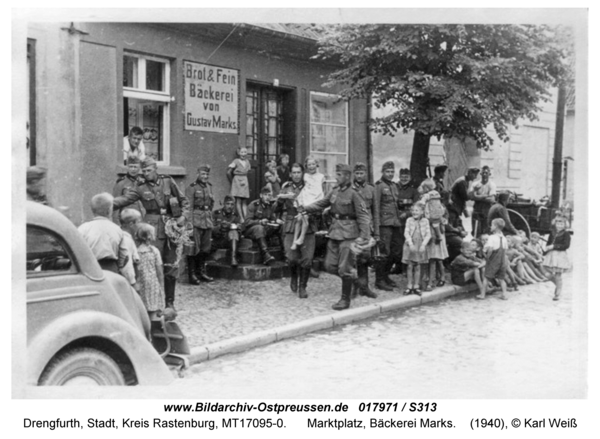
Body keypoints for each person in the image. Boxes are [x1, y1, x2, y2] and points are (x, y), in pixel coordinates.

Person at [113, 157, 190, 309]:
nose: (146, 174)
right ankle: (153, 302)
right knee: (152, 265)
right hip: (152, 231)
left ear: (156, 169)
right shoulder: (140, 187)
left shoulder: (168, 181)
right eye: (144, 171)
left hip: (171, 228)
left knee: (171, 266)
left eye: (149, 170)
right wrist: (108, 203)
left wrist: (183, 217)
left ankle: (169, 303)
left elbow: (184, 201)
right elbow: (125, 199)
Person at [300, 163, 371, 310]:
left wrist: (364, 237)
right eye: (336, 174)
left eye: (339, 175)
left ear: (346, 176)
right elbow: (321, 203)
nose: (336, 177)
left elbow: (364, 217)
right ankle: (354, 280)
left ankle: (345, 301)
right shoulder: (334, 191)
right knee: (329, 265)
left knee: (344, 268)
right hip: (334, 233)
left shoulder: (355, 193)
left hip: (349, 235)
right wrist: (306, 208)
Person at [276, 163, 316, 298]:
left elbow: (318, 202)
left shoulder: (309, 186)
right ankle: (294, 277)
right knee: (292, 257)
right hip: (291, 223)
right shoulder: (286, 187)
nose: (296, 175)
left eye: (299, 172)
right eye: (294, 172)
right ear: (290, 174)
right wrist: (281, 199)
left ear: (302, 173)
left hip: (307, 223)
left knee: (307, 258)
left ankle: (302, 287)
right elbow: (277, 207)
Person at [78, 193, 129, 274]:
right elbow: (124, 255)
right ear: (109, 211)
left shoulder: (83, 228)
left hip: (90, 267)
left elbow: (78, 250)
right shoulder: (117, 229)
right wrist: (119, 266)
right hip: (111, 268)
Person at [373, 162, 403, 291]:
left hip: (395, 223)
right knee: (384, 252)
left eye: (392, 171)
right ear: (382, 172)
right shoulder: (379, 186)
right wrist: (376, 227)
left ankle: (386, 276)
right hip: (384, 224)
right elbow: (376, 207)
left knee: (396, 250)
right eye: (387, 171)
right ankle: (379, 280)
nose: (390, 174)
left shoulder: (394, 186)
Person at [351, 162, 379, 299]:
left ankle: (364, 287)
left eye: (361, 173)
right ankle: (352, 286)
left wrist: (376, 232)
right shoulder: (350, 189)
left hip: (366, 226)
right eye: (357, 173)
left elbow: (375, 211)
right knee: (352, 257)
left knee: (364, 258)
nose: (359, 176)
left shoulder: (371, 189)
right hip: (352, 226)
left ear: (366, 174)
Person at [185, 164, 215, 285]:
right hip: (196, 221)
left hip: (207, 221)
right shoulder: (192, 188)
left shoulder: (209, 187)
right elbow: (189, 207)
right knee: (194, 249)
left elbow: (211, 205)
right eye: (203, 174)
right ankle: (192, 275)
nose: (205, 176)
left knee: (205, 248)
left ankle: (201, 272)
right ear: (197, 174)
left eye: (207, 174)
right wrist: (189, 225)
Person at [292, 155, 326, 250]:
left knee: (304, 217)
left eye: (313, 164)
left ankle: (301, 238)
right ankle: (295, 241)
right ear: (306, 166)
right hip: (306, 198)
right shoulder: (305, 176)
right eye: (309, 164)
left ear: (317, 165)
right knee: (299, 219)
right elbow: (303, 188)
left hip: (315, 200)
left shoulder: (321, 177)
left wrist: (321, 204)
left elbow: (323, 191)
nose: (311, 166)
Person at [243, 187, 283, 265]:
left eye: (269, 195)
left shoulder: (270, 206)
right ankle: (265, 255)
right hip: (251, 231)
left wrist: (277, 220)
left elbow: (272, 218)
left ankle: (284, 253)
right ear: (261, 195)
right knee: (259, 227)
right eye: (265, 195)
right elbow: (247, 222)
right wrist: (260, 222)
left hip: (263, 230)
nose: (268, 197)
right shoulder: (253, 205)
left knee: (280, 226)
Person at [393, 167, 421, 275]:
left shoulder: (413, 190)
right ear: (399, 177)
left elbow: (416, 205)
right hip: (396, 219)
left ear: (410, 178)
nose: (404, 179)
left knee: (409, 243)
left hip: (409, 220)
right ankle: (398, 266)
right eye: (402, 177)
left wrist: (408, 213)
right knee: (397, 244)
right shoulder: (394, 187)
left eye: (406, 177)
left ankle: (407, 267)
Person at [135, 223, 165, 315]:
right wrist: (162, 286)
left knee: (142, 308)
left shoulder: (136, 251)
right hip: (153, 284)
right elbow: (159, 271)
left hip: (141, 283)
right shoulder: (154, 251)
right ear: (148, 237)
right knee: (153, 308)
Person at [402, 203, 431, 296]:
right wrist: (410, 243)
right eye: (413, 210)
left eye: (417, 210)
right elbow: (406, 233)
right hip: (411, 245)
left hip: (420, 245)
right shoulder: (409, 220)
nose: (414, 212)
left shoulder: (425, 221)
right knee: (410, 266)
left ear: (422, 212)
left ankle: (416, 286)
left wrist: (423, 245)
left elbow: (428, 234)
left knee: (418, 265)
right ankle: (409, 285)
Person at [543, 216, 571, 301]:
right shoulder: (552, 233)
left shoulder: (566, 234)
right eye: (558, 223)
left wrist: (554, 246)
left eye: (561, 224)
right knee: (546, 273)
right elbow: (548, 243)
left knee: (558, 275)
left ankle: (557, 294)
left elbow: (566, 246)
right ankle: (558, 285)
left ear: (565, 225)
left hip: (560, 256)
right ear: (555, 224)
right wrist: (545, 250)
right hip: (551, 255)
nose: (559, 225)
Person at [480, 218, 509, 300]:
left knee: (486, 277)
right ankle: (504, 294)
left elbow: (490, 249)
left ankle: (482, 295)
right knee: (501, 279)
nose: (490, 227)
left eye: (492, 225)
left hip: (494, 260)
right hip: (502, 260)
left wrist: (487, 258)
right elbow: (505, 250)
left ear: (495, 227)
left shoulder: (492, 237)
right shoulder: (504, 238)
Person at [112, 155, 144, 224]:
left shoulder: (143, 182)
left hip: (141, 220)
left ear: (139, 167)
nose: (133, 169)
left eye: (135, 167)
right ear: (127, 167)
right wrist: (117, 225)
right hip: (127, 221)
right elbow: (115, 206)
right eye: (131, 166)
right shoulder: (121, 183)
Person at [212, 195, 242, 267]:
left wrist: (235, 227)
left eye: (232, 204)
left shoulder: (236, 216)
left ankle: (233, 258)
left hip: (230, 241)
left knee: (234, 232)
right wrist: (220, 226)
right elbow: (211, 229)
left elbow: (240, 231)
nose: (229, 206)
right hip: (218, 239)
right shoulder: (216, 214)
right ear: (224, 204)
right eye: (227, 204)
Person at [119, 208, 142, 292]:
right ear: (131, 224)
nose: (140, 225)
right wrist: (133, 282)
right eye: (138, 222)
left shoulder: (121, 234)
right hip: (126, 281)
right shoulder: (126, 239)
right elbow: (127, 264)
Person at [471, 165, 497, 237]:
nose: (485, 175)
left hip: (487, 210)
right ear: (481, 174)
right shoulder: (475, 184)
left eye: (486, 173)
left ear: (489, 174)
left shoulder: (492, 185)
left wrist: (477, 197)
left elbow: (492, 199)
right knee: (475, 230)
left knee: (486, 230)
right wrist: (485, 196)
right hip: (477, 209)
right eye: (483, 173)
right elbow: (471, 197)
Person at [227, 146, 251, 222]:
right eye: (242, 152)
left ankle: (246, 217)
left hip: (244, 180)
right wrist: (232, 181)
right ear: (238, 153)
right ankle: (241, 218)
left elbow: (248, 170)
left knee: (244, 200)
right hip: (237, 180)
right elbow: (228, 172)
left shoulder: (247, 162)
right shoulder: (236, 161)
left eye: (245, 152)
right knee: (238, 200)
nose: (243, 154)